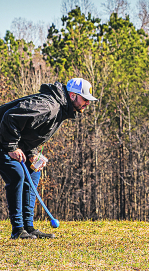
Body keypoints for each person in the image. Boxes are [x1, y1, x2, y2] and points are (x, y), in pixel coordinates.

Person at [0, 78, 97, 239]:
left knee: (33, 172)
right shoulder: (49, 106)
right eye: (85, 99)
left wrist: (32, 153)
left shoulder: (60, 109)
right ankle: (18, 230)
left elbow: (29, 130)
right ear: (72, 96)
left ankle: (28, 228)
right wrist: (12, 147)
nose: (87, 103)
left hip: (11, 139)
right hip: (4, 137)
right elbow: (11, 117)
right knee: (17, 173)